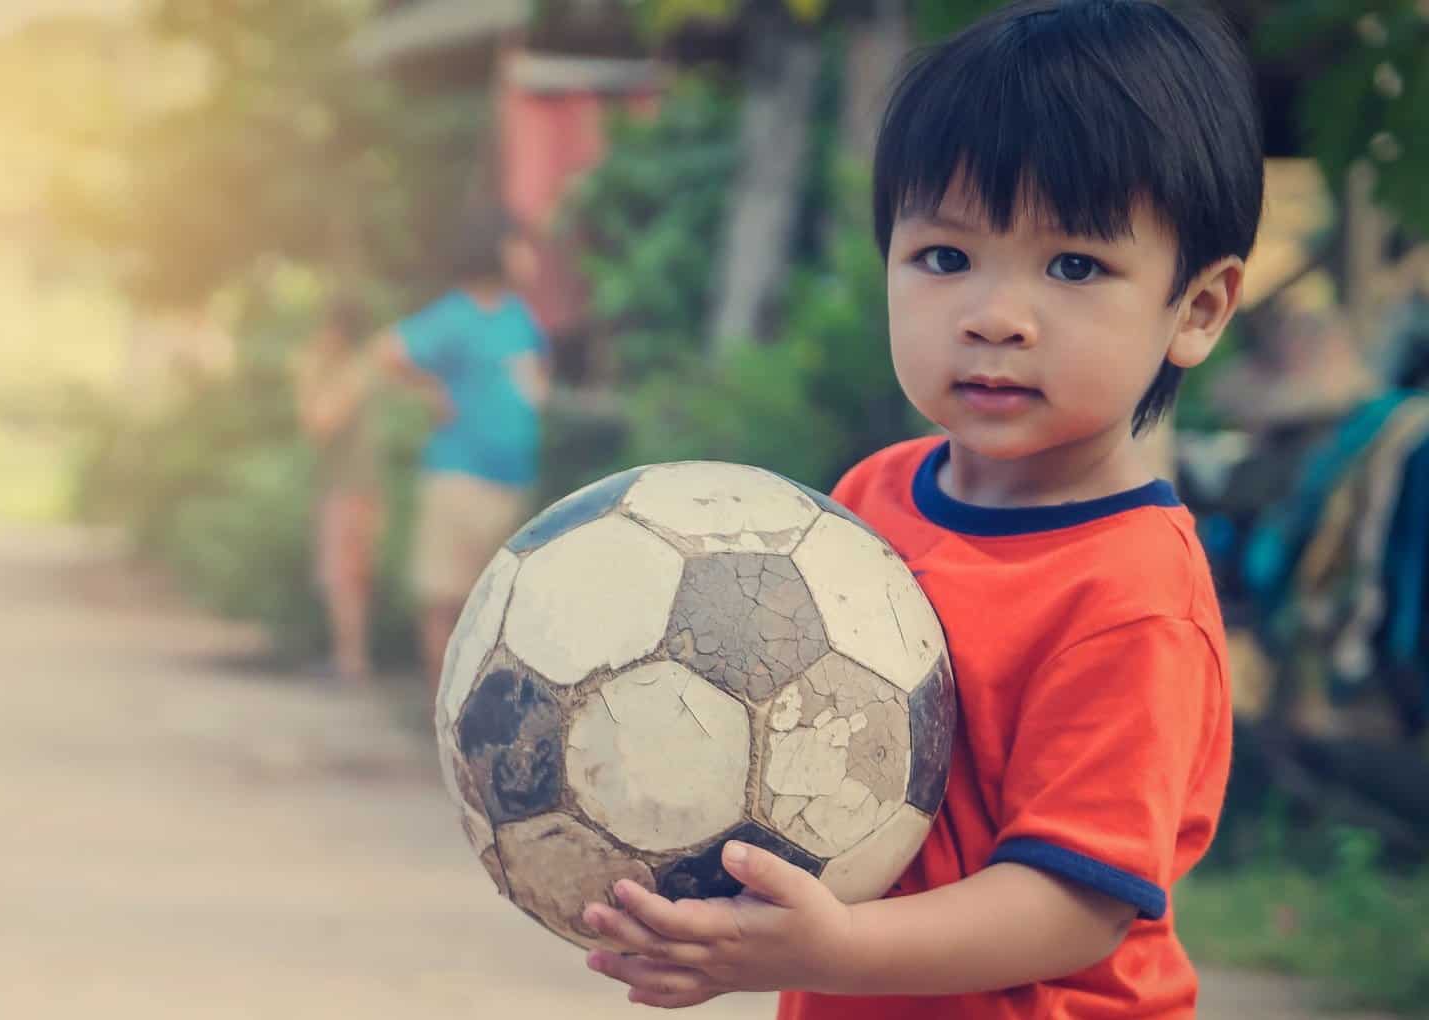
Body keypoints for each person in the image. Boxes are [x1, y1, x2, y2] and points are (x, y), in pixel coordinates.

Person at [576, 2, 1258, 1017]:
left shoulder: (1132, 598)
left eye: (1075, 266)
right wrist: (717, 914)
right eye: (945, 257)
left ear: (1195, 310)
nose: (994, 316)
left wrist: (836, 945)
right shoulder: (865, 503)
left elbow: (1072, 905)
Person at [370, 208, 548, 692]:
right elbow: (388, 351)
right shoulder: (456, 315)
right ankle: (441, 708)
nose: (530, 256)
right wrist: (429, 391)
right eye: (520, 245)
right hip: (460, 474)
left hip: (511, 478)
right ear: (496, 251)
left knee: (498, 606)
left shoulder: (521, 318)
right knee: (446, 598)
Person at [294, 296, 386, 685]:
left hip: (352, 488)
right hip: (352, 486)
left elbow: (319, 422)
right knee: (347, 575)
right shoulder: (356, 370)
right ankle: (350, 658)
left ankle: (351, 661)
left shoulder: (352, 373)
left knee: (342, 576)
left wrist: (305, 375)